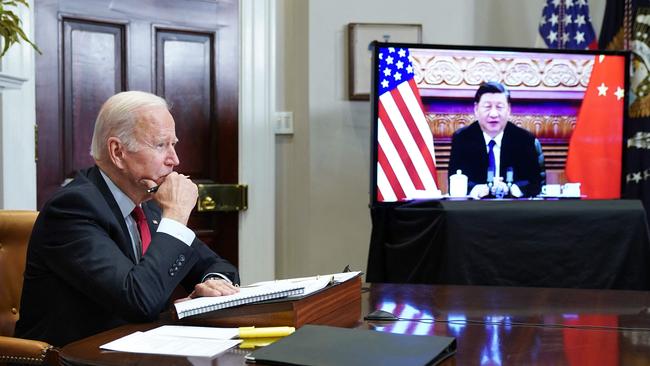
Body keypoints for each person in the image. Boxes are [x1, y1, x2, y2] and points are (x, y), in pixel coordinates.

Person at [15, 91, 240, 346]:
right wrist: (177, 214)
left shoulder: (149, 205)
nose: (175, 160)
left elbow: (220, 268)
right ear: (117, 151)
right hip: (78, 359)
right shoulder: (72, 210)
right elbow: (139, 301)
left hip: (145, 351)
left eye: (173, 144)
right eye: (160, 145)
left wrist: (214, 284)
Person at [448, 81, 543, 199]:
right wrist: (476, 189)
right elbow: (455, 179)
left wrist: (512, 188)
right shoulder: (463, 139)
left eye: (499, 107)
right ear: (476, 109)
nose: (493, 114)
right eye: (487, 107)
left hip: (515, 210)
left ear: (508, 110)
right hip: (475, 210)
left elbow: (535, 183)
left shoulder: (524, 140)